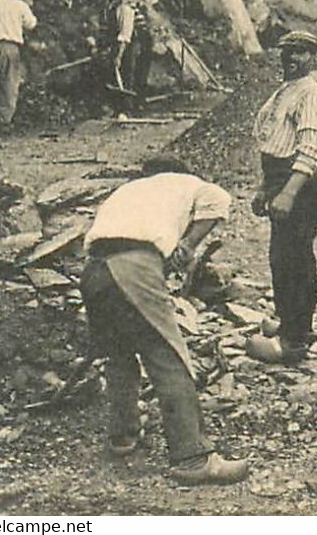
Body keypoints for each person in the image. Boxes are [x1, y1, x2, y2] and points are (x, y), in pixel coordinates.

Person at [81, 157, 249, 485]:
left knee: (118, 356)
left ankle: (123, 436)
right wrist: (186, 246)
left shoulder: (127, 190)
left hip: (93, 271)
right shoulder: (187, 184)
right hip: (133, 267)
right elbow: (220, 200)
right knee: (168, 356)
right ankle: (192, 457)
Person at [247, 31, 317, 365]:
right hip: (279, 181)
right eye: (287, 51)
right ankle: (287, 320)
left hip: (300, 187)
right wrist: (264, 189)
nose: (291, 58)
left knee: (295, 260)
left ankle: (295, 340)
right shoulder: (284, 91)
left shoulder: (311, 94)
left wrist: (288, 194)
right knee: (280, 258)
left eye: (299, 53)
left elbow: (310, 150)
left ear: (312, 57)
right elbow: (271, 143)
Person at [105, 0, 154, 107]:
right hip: (135, 40)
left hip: (139, 41)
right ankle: (133, 103)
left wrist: (119, 56)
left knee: (129, 69)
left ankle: (128, 105)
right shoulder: (114, 8)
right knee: (130, 70)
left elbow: (125, 35)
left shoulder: (124, 9)